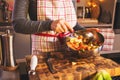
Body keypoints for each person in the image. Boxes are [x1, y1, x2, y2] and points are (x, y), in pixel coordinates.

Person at [12, 0, 84, 54]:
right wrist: (50, 24)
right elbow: (18, 24)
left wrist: (86, 31)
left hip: (70, 53)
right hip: (42, 54)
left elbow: (72, 24)